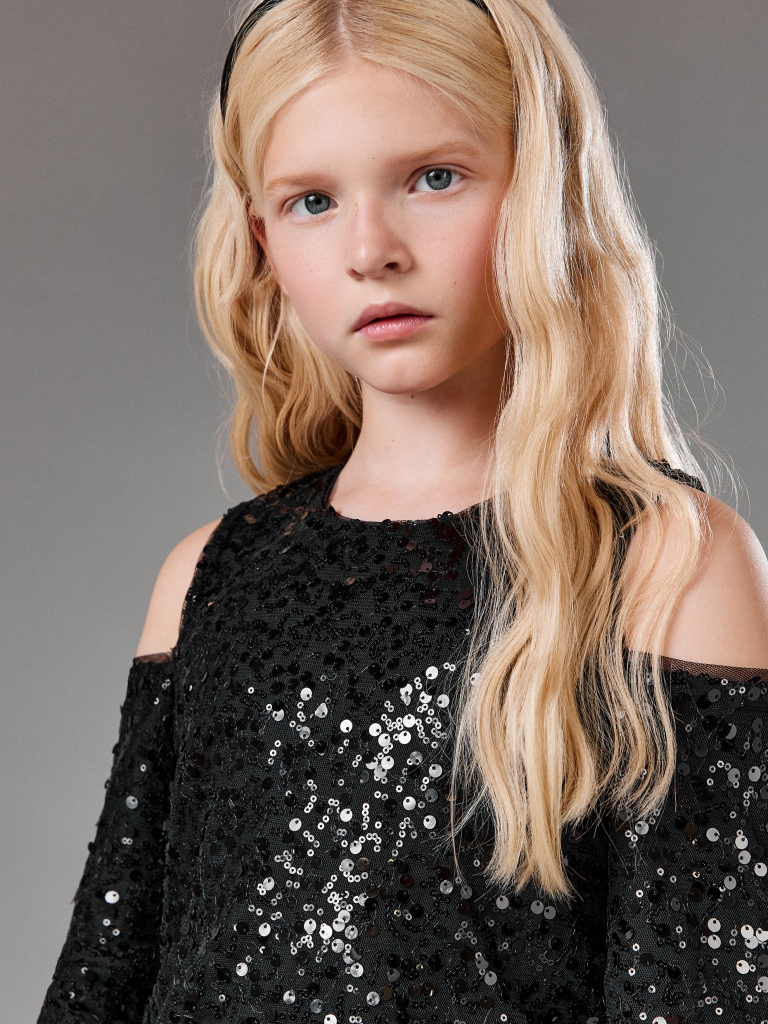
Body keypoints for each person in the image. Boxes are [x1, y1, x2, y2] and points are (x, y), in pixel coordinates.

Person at [39, 0, 768, 1021]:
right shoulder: (206, 575)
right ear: (261, 238)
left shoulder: (664, 566)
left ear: (544, 186)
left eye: (434, 178)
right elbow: (100, 984)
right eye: (312, 201)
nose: (371, 249)